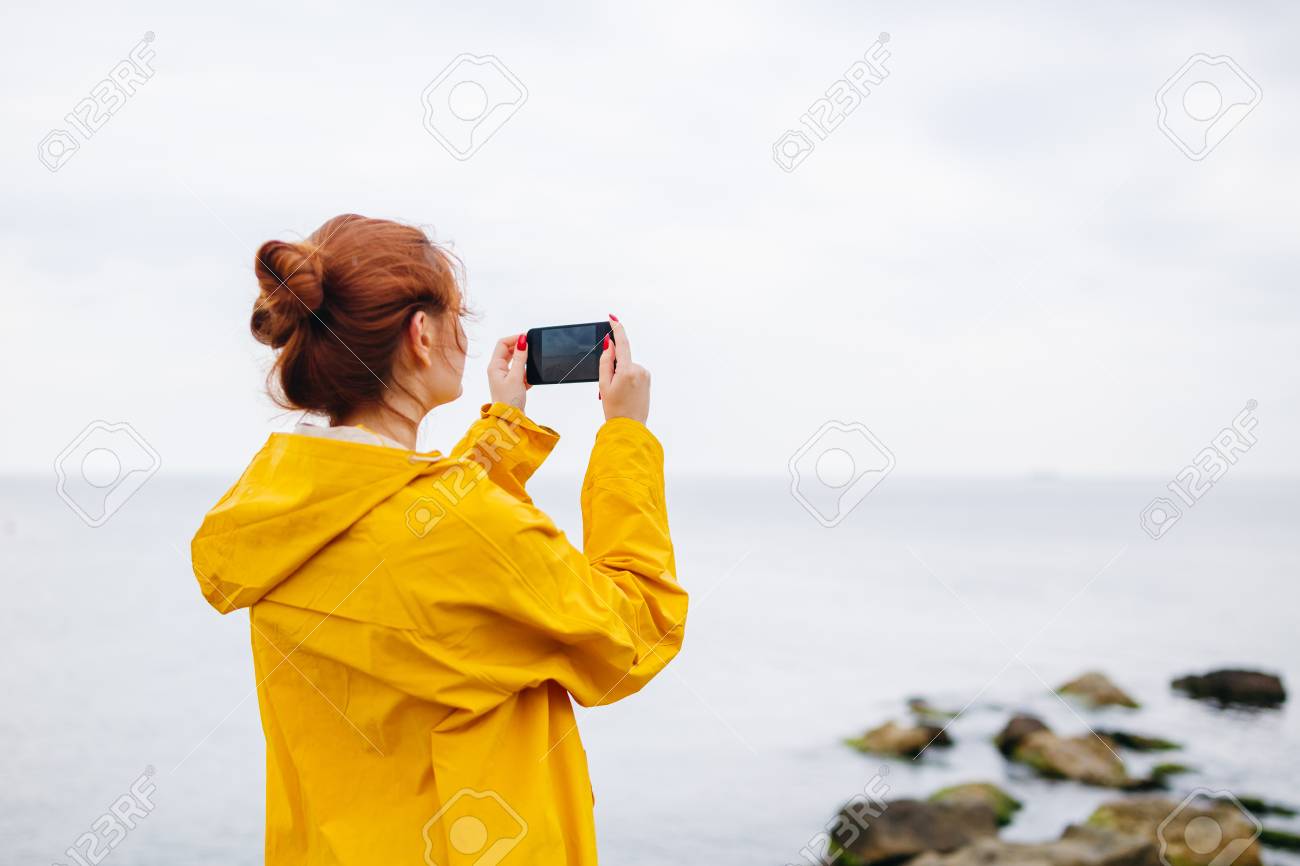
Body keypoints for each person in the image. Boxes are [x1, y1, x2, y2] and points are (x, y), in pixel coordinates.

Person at [190, 213, 688, 865]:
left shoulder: (278, 516)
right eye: (460, 316)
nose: (462, 336)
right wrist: (626, 436)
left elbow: (421, 554)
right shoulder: (464, 530)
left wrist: (504, 429)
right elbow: (640, 628)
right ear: (420, 333)